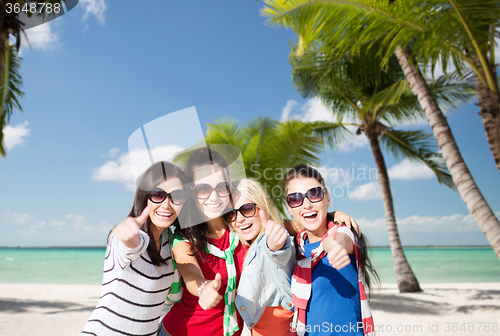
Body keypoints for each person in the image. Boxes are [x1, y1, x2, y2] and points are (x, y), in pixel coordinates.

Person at [226, 178, 361, 336]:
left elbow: (277, 250)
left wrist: (275, 243)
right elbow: (304, 222)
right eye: (230, 213)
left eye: (247, 209)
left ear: (262, 207)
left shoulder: (267, 240)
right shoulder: (237, 243)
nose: (240, 218)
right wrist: (332, 214)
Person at [80, 161, 190, 336]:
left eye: (176, 196)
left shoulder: (172, 245)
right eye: (157, 194)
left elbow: (173, 297)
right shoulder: (127, 238)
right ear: (144, 196)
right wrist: (129, 238)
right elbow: (130, 245)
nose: (167, 204)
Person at [160, 148, 248, 336]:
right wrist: (203, 288)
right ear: (192, 192)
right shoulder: (184, 239)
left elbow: (285, 224)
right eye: (204, 188)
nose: (214, 196)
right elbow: (190, 270)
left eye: (222, 187)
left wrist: (327, 217)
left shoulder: (241, 227)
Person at [283, 164, 378, 336]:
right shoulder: (298, 248)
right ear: (289, 207)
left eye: (314, 194)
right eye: (295, 199)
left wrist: (332, 245)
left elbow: (340, 240)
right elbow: (268, 222)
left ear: (327, 198)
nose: (306, 204)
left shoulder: (344, 231)